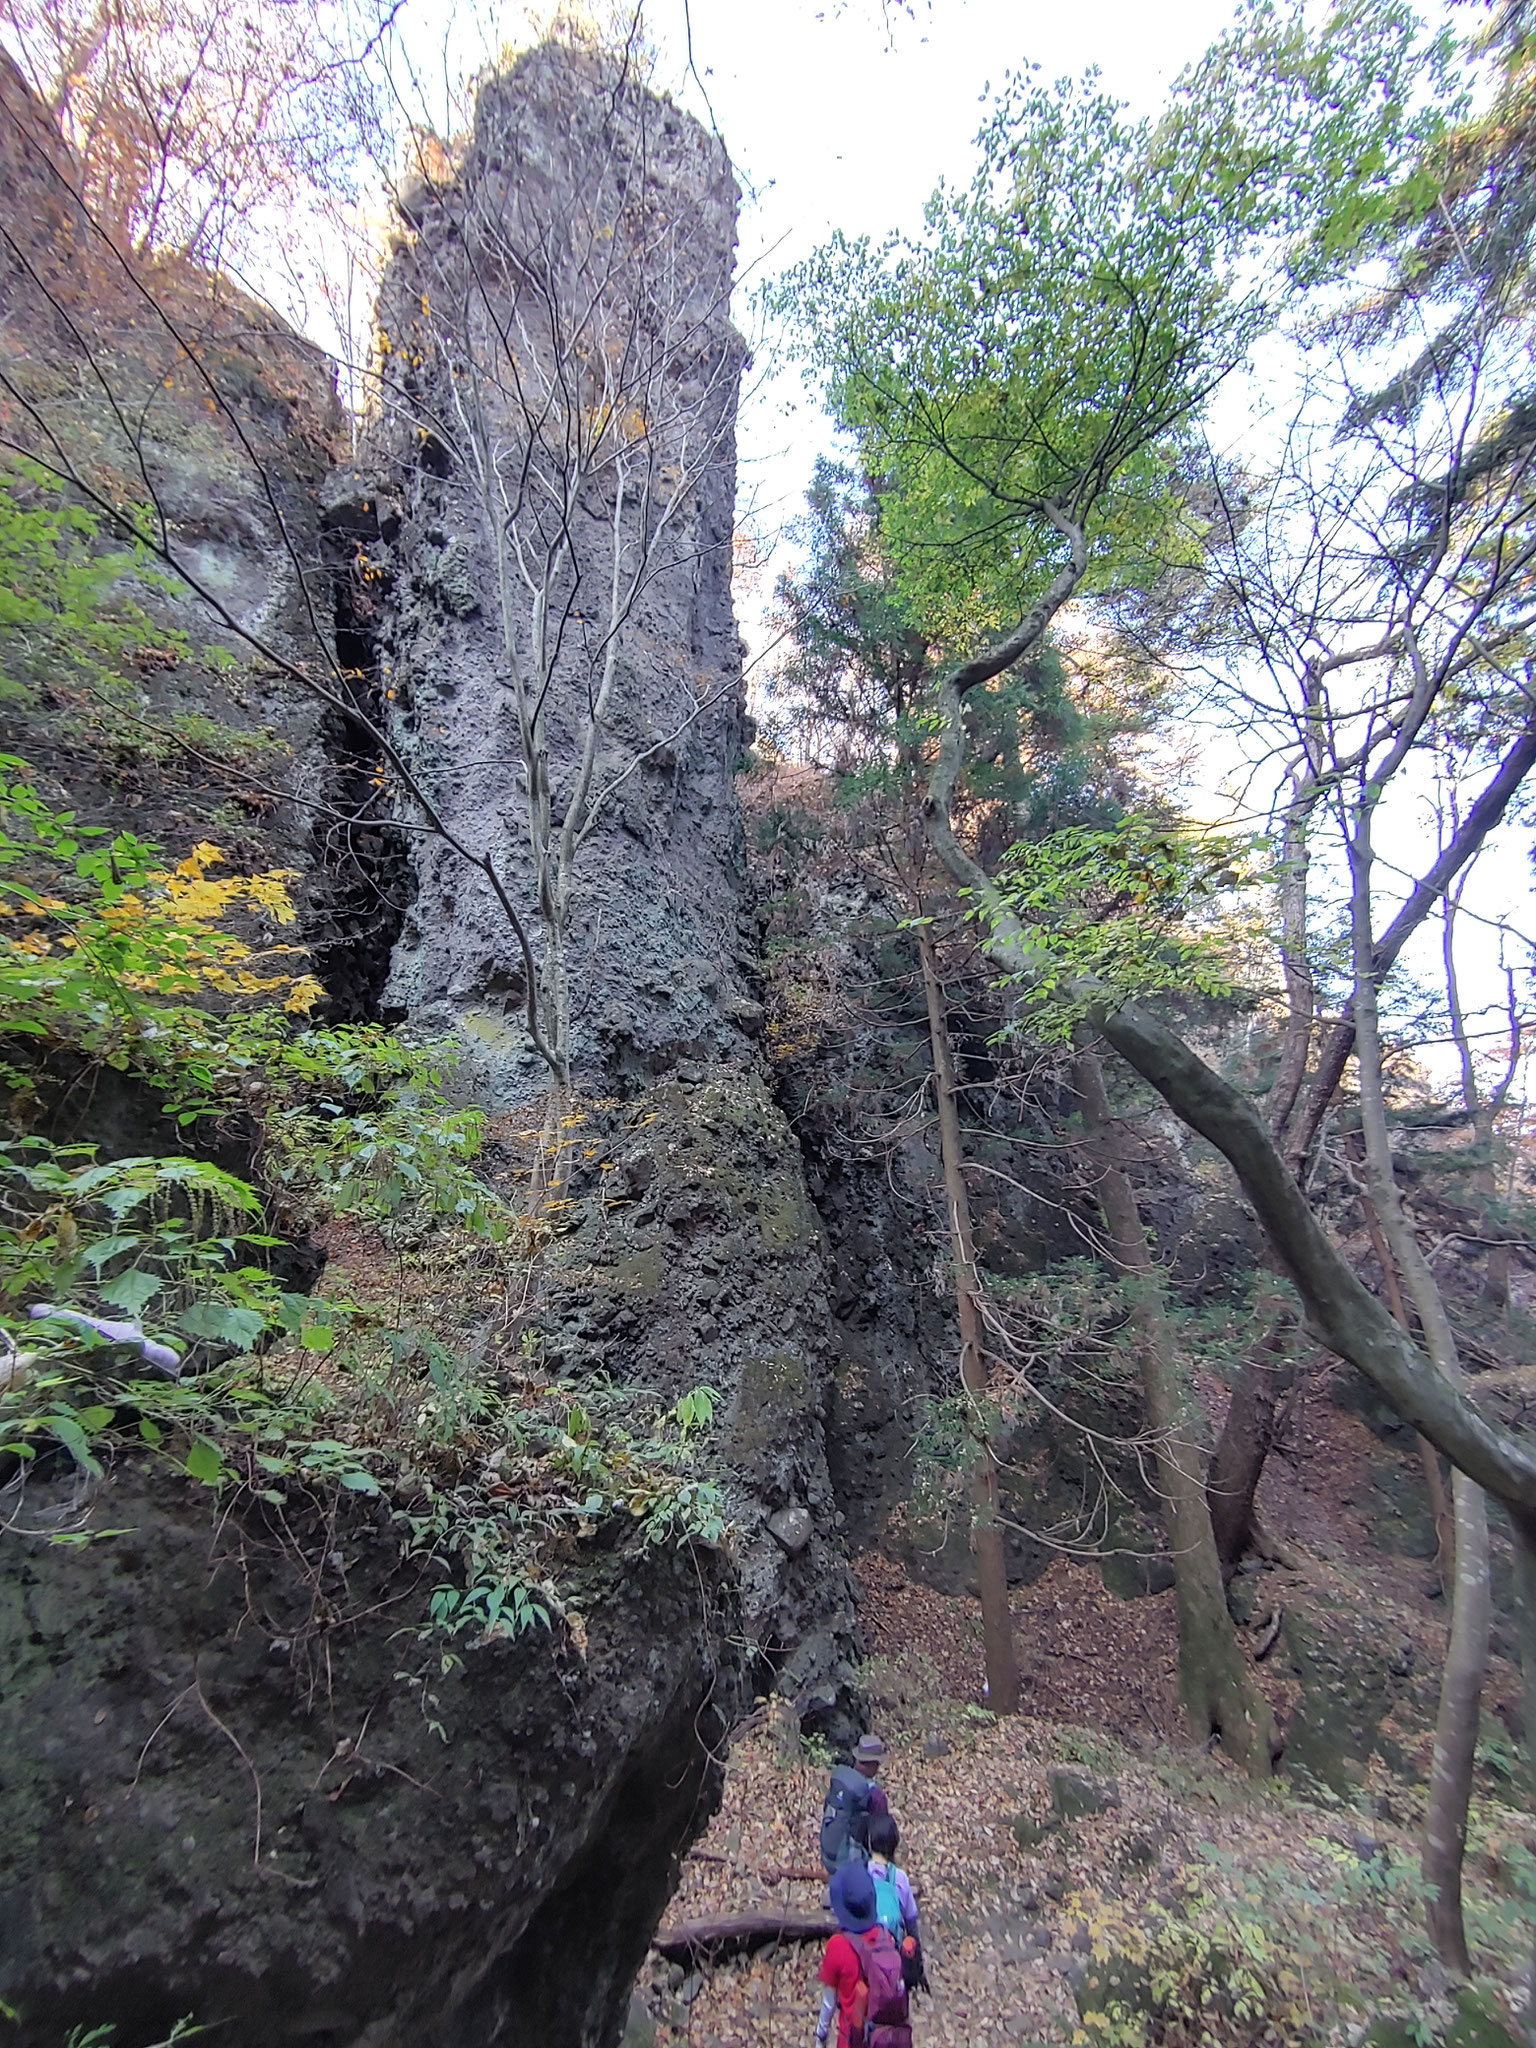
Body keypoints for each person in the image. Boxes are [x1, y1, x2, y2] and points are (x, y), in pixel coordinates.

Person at [814, 1862, 913, 2048]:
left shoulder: (838, 1946)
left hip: (852, 2040)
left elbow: (829, 2003)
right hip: (883, 2039)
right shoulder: (886, 1937)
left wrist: (820, 2036)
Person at [866, 1813, 928, 1995]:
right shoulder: (900, 1878)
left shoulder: (862, 1874)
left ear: (869, 1841)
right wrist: (918, 1963)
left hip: (866, 1953)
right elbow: (911, 1922)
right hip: (893, 1956)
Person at [818, 1733, 889, 1874]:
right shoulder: (875, 1795)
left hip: (827, 1856)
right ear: (873, 1764)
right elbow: (883, 1835)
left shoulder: (840, 1779)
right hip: (852, 1864)